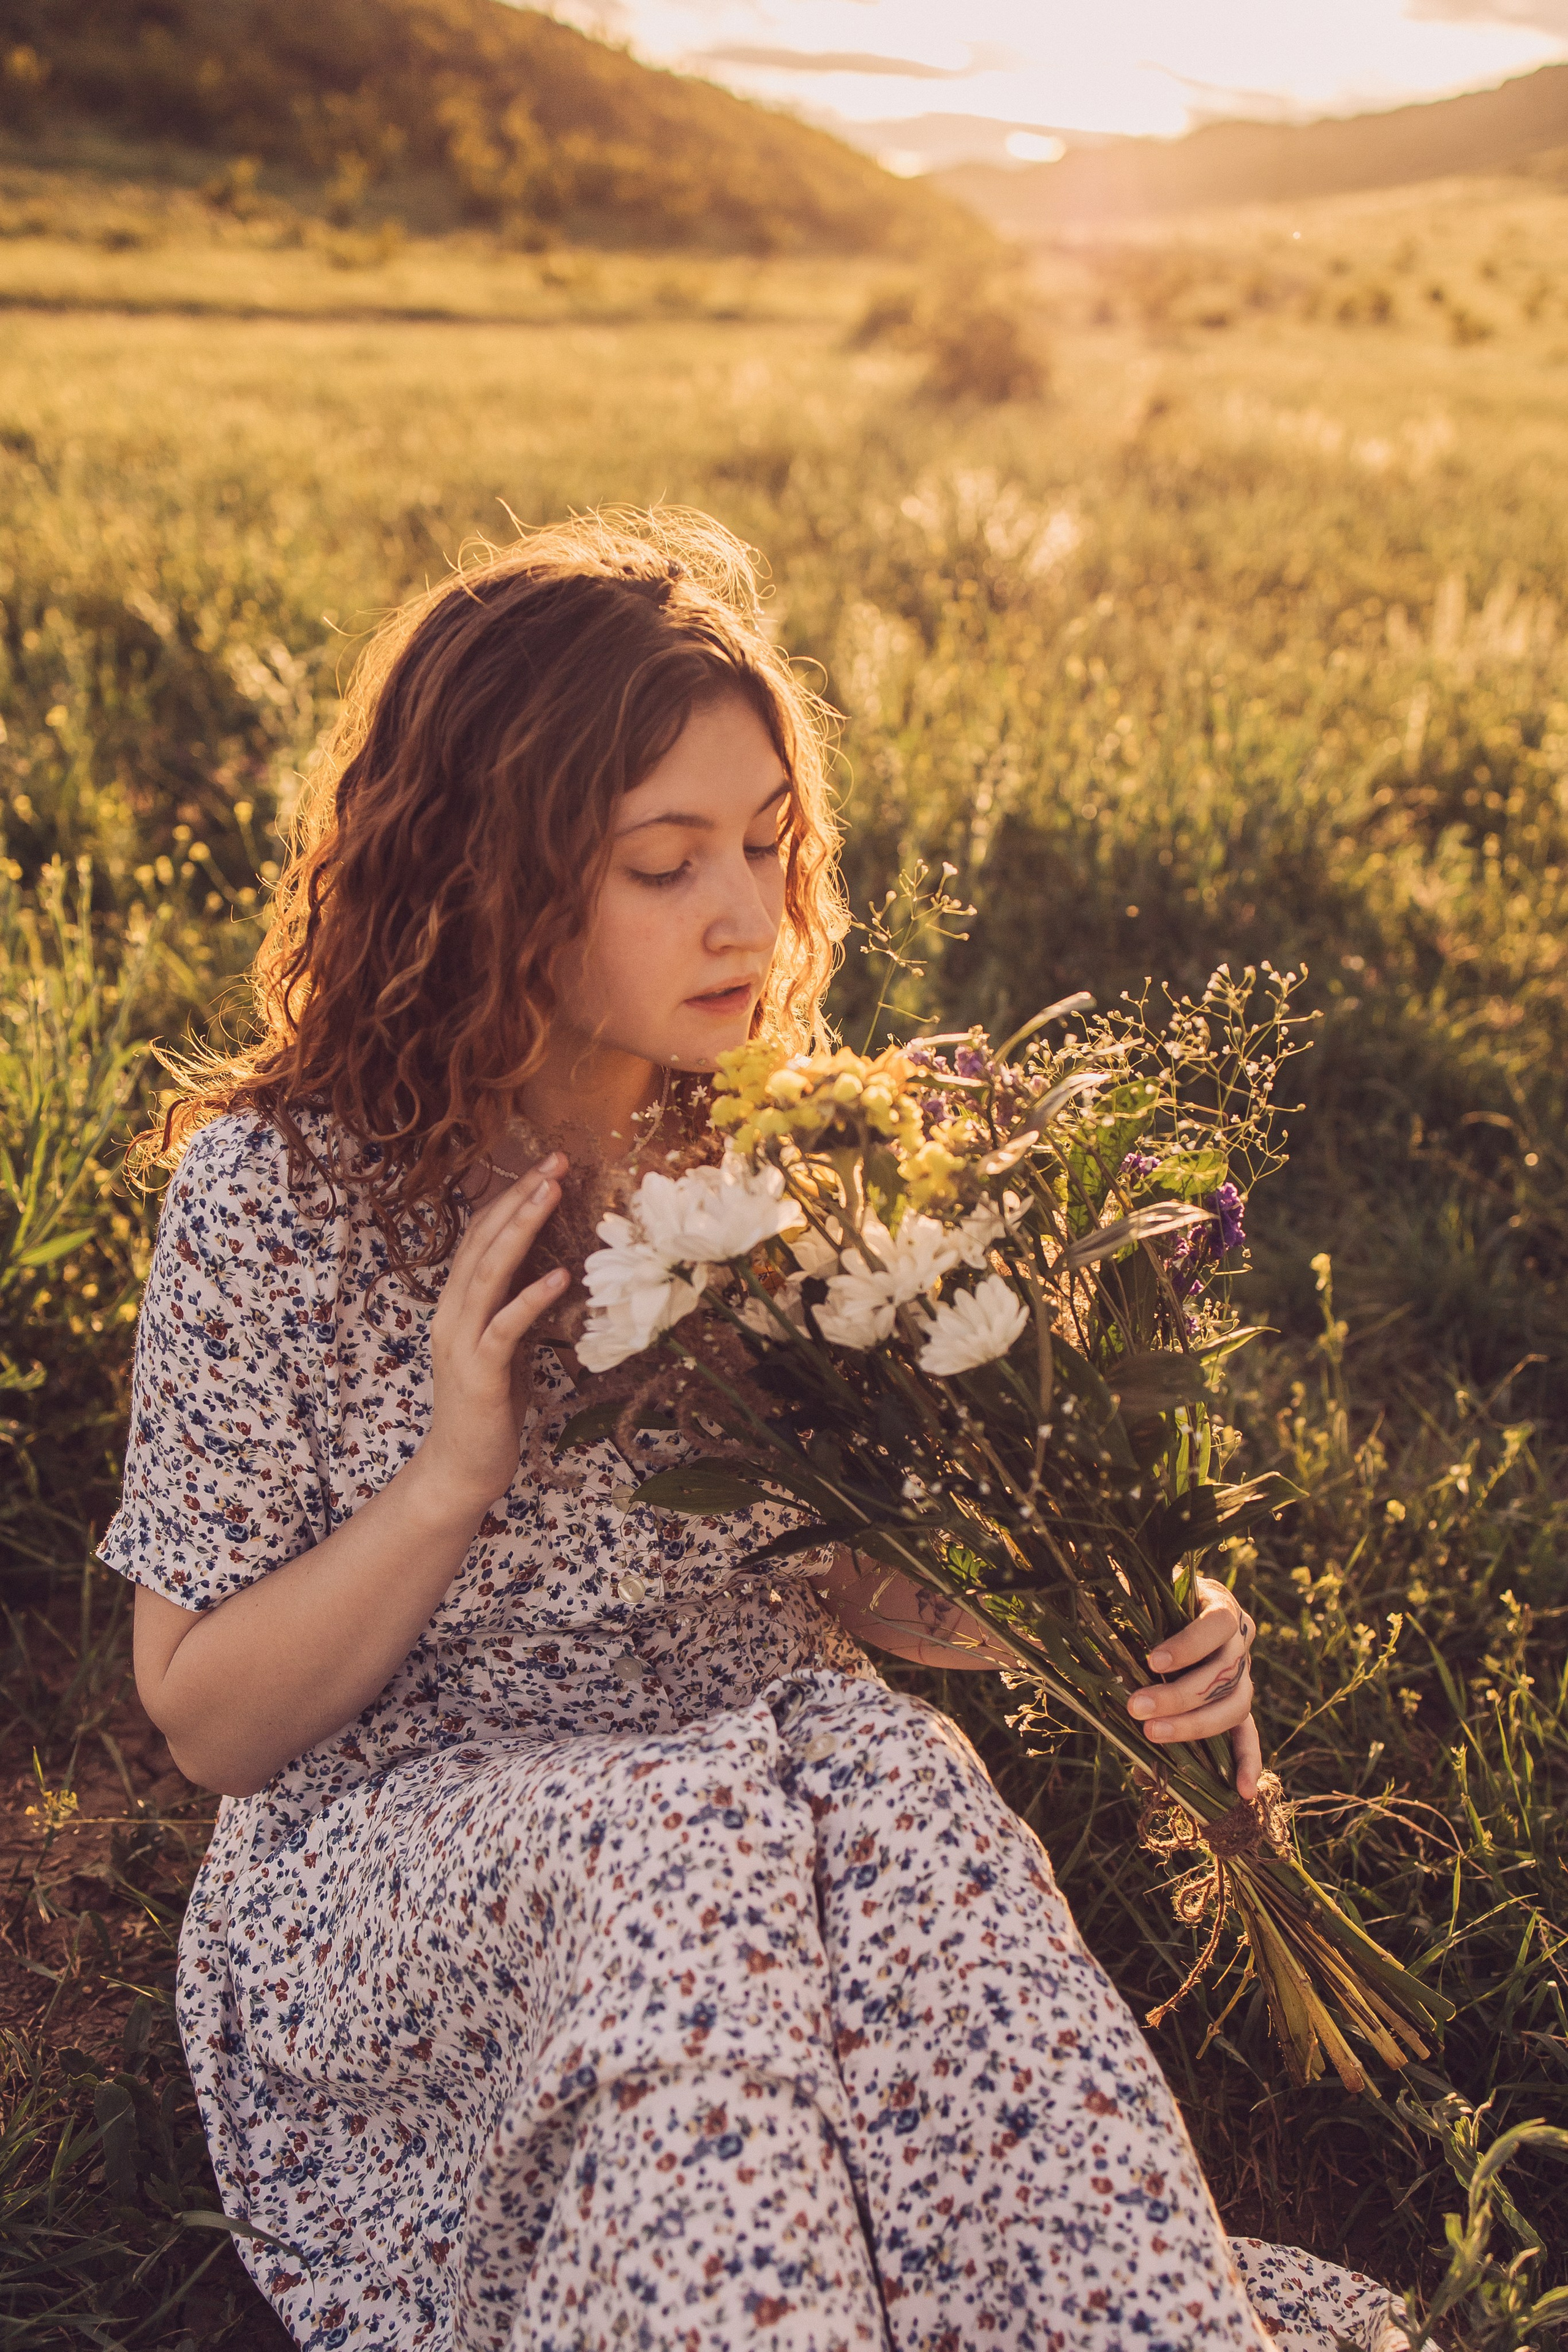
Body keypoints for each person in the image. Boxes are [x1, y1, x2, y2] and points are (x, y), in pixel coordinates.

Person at [102, 511, 1408, 2352]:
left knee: (908, 1783)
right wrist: (452, 1478)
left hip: (785, 1775)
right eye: (665, 862)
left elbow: (864, 1586)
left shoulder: (786, 1156)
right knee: (692, 1826)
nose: (747, 914)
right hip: (416, 1852)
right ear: (483, 875)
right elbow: (206, 1720)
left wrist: (1109, 1615)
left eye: (768, 843)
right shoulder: (281, 1197)